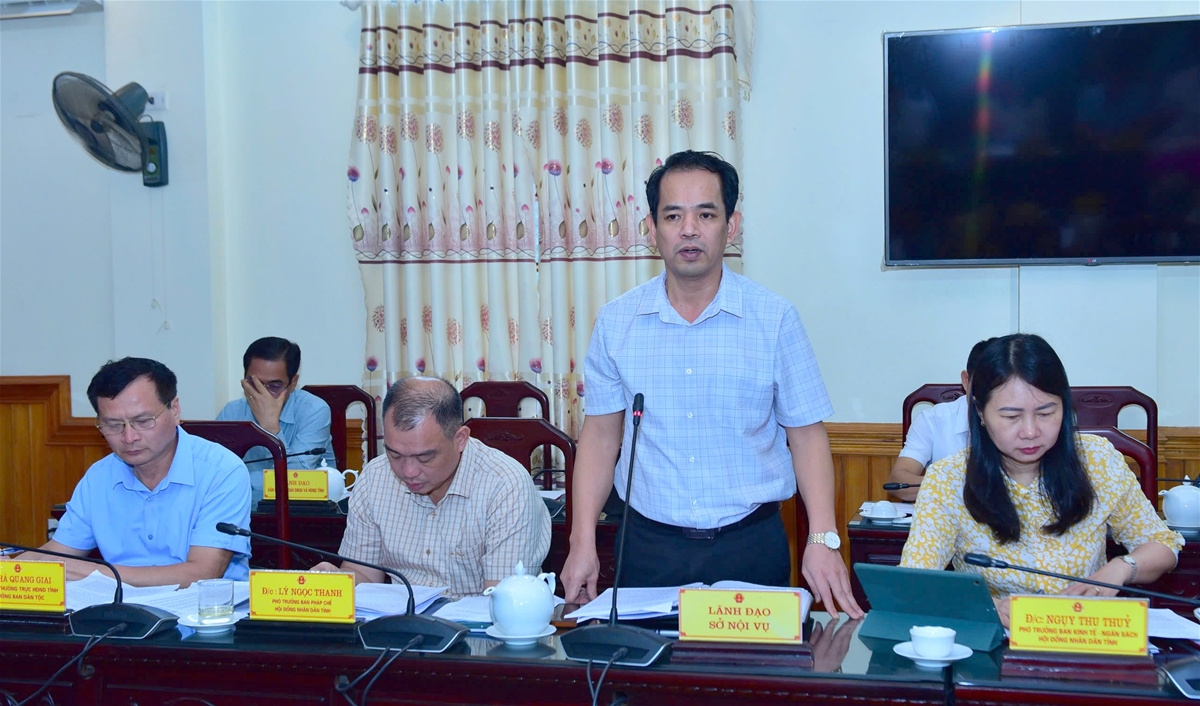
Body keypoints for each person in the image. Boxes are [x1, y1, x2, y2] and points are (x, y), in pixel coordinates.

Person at [560, 150, 863, 619]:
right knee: (647, 668)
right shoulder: (617, 322)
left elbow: (806, 436)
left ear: (731, 225)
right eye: (673, 216)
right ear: (652, 228)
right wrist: (582, 541)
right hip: (647, 548)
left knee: (751, 668)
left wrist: (823, 538)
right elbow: (601, 437)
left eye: (706, 214)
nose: (689, 230)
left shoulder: (775, 319)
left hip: (750, 544)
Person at [899, 334, 1183, 626]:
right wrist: (988, 607)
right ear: (980, 411)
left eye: (1046, 412)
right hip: (997, 640)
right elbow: (914, 581)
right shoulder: (948, 479)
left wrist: (1122, 567)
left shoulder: (1097, 460)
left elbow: (1162, 544)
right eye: (1011, 417)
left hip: (1085, 634)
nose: (1030, 432)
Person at [13, 357, 251, 584]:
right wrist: (11, 569)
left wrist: (87, 571)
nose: (129, 437)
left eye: (143, 421)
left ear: (175, 409)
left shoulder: (222, 471)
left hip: (203, 610)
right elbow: (56, 553)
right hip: (117, 608)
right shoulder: (99, 477)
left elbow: (203, 573)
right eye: (113, 425)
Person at [311, 376, 551, 599]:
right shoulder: (375, 477)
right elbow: (364, 574)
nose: (408, 471)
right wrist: (337, 579)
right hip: (399, 625)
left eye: (424, 458)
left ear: (460, 439)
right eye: (395, 455)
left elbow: (503, 598)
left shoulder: (506, 485)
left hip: (475, 629)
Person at [217, 337, 336, 506]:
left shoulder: (314, 410)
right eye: (254, 383)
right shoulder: (232, 411)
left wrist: (271, 428)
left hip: (302, 508)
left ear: (293, 383)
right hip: (246, 506)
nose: (262, 394)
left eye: (274, 386)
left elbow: (298, 480)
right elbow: (214, 473)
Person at [886, 337, 996, 502]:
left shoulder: (1023, 426)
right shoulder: (933, 420)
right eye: (984, 385)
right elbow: (899, 481)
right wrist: (959, 485)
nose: (991, 396)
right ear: (966, 381)